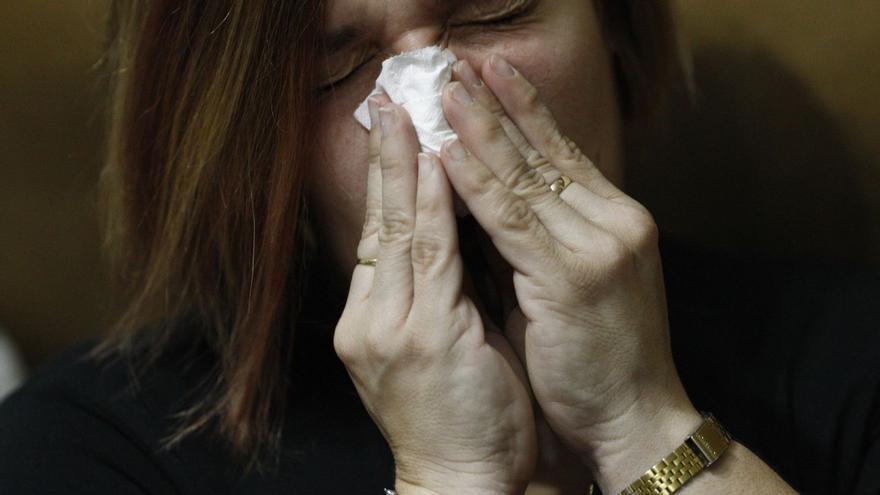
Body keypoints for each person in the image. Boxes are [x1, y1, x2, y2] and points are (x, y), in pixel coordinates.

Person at [0, 1, 878, 494]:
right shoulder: (90, 446)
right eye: (335, 72)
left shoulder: (843, 352)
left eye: (496, 10)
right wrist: (451, 477)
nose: (436, 117)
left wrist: (644, 424)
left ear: (611, 22)